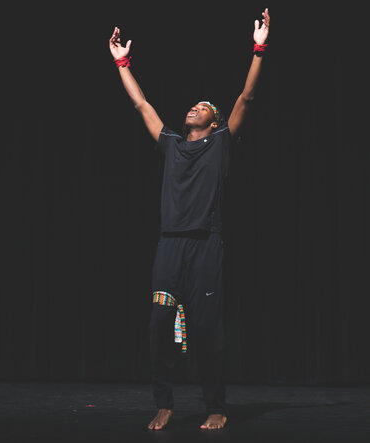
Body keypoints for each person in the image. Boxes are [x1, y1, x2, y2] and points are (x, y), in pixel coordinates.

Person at [109, 8, 270, 431]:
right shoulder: (171, 144)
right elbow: (142, 103)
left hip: (204, 247)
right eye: (194, 105)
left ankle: (215, 404)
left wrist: (259, 47)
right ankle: (164, 402)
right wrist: (121, 63)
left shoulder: (219, 144)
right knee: (159, 322)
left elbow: (246, 98)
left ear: (214, 122)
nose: (196, 108)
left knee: (205, 327)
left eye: (204, 107)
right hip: (169, 247)